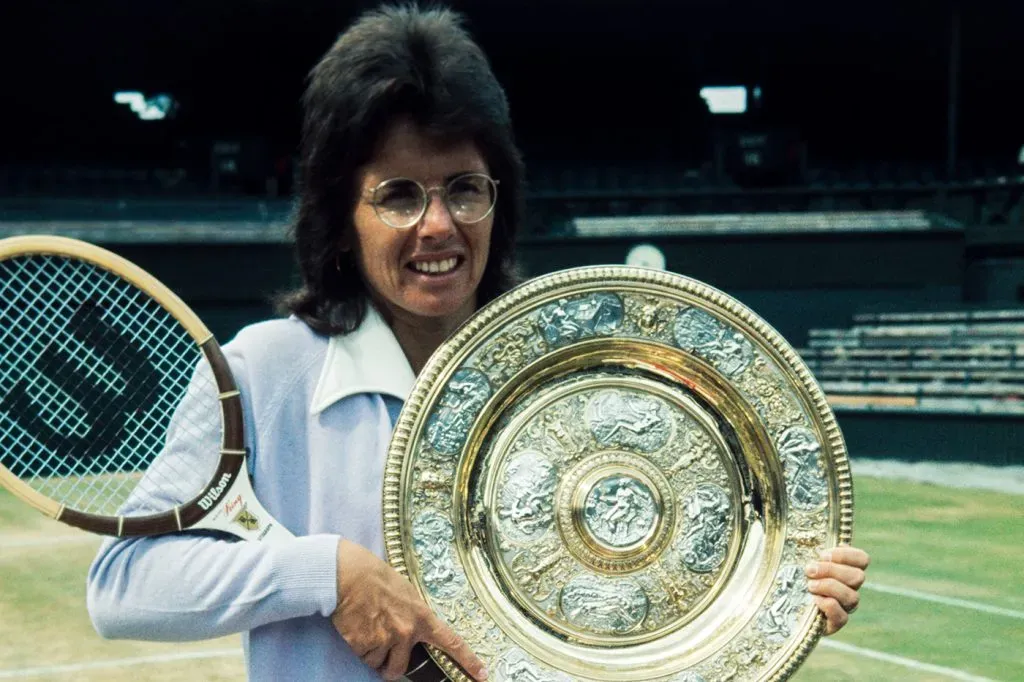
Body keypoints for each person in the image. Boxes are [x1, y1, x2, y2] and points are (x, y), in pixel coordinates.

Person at [86, 4, 870, 681]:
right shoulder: (264, 372)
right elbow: (122, 585)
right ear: (341, 216)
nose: (438, 226)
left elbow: (632, 603)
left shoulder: (565, 372)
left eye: (464, 188)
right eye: (398, 196)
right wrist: (325, 573)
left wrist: (777, 597)